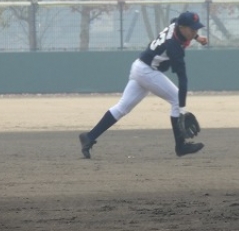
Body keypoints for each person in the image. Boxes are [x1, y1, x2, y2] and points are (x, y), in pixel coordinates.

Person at [78, 11, 209, 159]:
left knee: (122, 108)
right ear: (182, 27)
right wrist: (182, 109)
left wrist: (197, 38)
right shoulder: (173, 46)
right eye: (192, 29)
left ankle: (89, 137)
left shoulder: (176, 25)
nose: (194, 32)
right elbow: (182, 78)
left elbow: (174, 19)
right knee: (176, 100)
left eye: (196, 29)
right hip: (147, 72)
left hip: (139, 67)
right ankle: (180, 146)